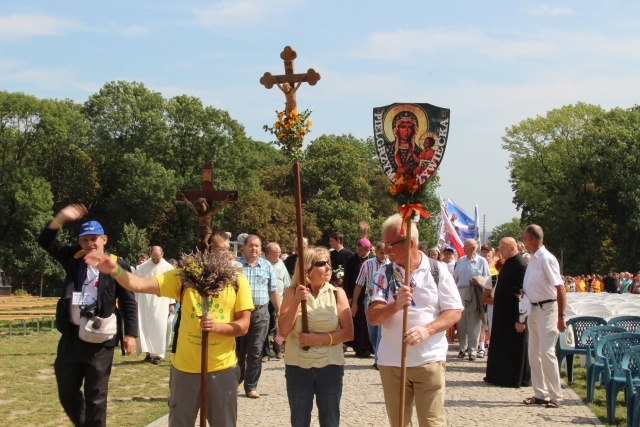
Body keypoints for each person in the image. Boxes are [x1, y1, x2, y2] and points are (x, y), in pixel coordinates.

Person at [85, 231, 253, 427]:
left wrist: (218, 327)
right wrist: (116, 271)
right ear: (203, 252)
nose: (224, 256)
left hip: (221, 368)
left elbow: (243, 325)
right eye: (217, 251)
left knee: (224, 423)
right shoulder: (184, 278)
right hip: (185, 368)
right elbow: (138, 284)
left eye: (225, 251)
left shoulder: (236, 281)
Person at [38, 204, 138, 427]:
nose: (89, 244)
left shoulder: (116, 264)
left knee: (96, 396)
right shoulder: (73, 259)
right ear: (79, 242)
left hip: (101, 339)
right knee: (66, 389)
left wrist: (130, 334)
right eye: (84, 240)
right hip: (72, 337)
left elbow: (129, 300)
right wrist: (60, 219)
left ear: (104, 239)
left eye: (94, 239)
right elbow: (45, 242)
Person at [368, 214, 463, 427]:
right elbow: (373, 317)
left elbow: (454, 312)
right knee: (399, 423)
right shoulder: (383, 274)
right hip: (392, 361)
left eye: (390, 244)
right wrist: (395, 304)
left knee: (432, 422)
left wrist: (427, 330)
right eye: (384, 245)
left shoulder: (437, 270)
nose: (386, 250)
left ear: (410, 243)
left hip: (428, 359)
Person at [278, 246, 353, 427]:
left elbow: (348, 333)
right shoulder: (291, 292)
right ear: (307, 269)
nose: (328, 267)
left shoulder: (337, 293)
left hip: (330, 367)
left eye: (329, 263)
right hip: (298, 367)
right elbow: (284, 330)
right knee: (299, 420)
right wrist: (296, 300)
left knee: (330, 420)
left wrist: (318, 339)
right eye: (322, 264)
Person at [521, 224, 566, 409]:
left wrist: (561, 316)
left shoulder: (546, 259)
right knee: (534, 353)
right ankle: (540, 393)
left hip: (547, 309)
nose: (523, 240)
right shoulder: (532, 258)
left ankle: (556, 395)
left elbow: (560, 287)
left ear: (531, 238)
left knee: (547, 352)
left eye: (524, 237)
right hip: (533, 308)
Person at [483, 238, 531, 388]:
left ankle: (514, 377)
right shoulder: (508, 263)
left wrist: (520, 319)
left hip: (512, 315)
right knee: (500, 346)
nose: (500, 250)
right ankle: (499, 375)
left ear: (512, 248)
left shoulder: (520, 264)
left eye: (502, 248)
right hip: (502, 314)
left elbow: (522, 294)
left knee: (514, 347)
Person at [236, 235, 280, 398]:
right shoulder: (236, 266)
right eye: (251, 246)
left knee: (255, 351)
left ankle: (251, 386)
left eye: (257, 246)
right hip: (239, 313)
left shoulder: (266, 265)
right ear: (244, 248)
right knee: (239, 351)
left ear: (261, 249)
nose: (254, 249)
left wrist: (279, 311)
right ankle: (237, 380)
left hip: (261, 312)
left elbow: (273, 291)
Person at [135, 245, 175, 364]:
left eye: (157, 259)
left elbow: (173, 286)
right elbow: (136, 283)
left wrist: (171, 303)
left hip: (162, 300)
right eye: (153, 259)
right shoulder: (142, 267)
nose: (155, 261)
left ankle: (158, 354)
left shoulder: (168, 267)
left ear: (162, 255)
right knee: (145, 326)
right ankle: (148, 352)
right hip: (145, 301)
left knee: (159, 326)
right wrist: (136, 300)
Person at [352, 241, 389, 368]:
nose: (384, 255)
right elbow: (359, 284)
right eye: (381, 253)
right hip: (370, 298)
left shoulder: (391, 265)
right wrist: (355, 304)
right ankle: (376, 352)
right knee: (372, 333)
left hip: (385, 299)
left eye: (386, 253)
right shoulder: (367, 264)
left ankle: (379, 361)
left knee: (381, 332)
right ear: (376, 252)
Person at [453, 239, 490, 360]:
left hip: (475, 292)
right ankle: (462, 348)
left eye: (465, 246)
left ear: (472, 248)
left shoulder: (482, 261)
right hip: (461, 292)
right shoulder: (461, 260)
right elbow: (455, 276)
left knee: (474, 322)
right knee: (461, 322)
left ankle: (473, 350)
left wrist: (478, 281)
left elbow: (487, 279)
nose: (463, 248)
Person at [343, 238, 374, 357]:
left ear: (367, 250)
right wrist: (349, 296)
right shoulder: (351, 260)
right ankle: (360, 348)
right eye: (358, 249)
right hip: (356, 294)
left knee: (369, 322)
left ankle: (370, 347)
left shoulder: (372, 259)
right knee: (357, 322)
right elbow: (346, 279)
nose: (359, 252)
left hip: (368, 294)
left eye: (362, 250)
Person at [262, 242, 290, 361]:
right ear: (269, 253)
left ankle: (277, 349)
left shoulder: (281, 264)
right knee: (265, 326)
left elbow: (287, 282)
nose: (280, 254)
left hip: (278, 299)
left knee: (278, 325)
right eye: (277, 253)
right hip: (264, 300)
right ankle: (265, 353)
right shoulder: (261, 263)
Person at [391, 111, 433, 176]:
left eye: (410, 127)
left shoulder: (418, 151)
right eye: (403, 127)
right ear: (397, 129)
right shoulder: (389, 148)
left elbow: (424, 168)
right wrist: (397, 171)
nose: (406, 131)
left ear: (414, 130)